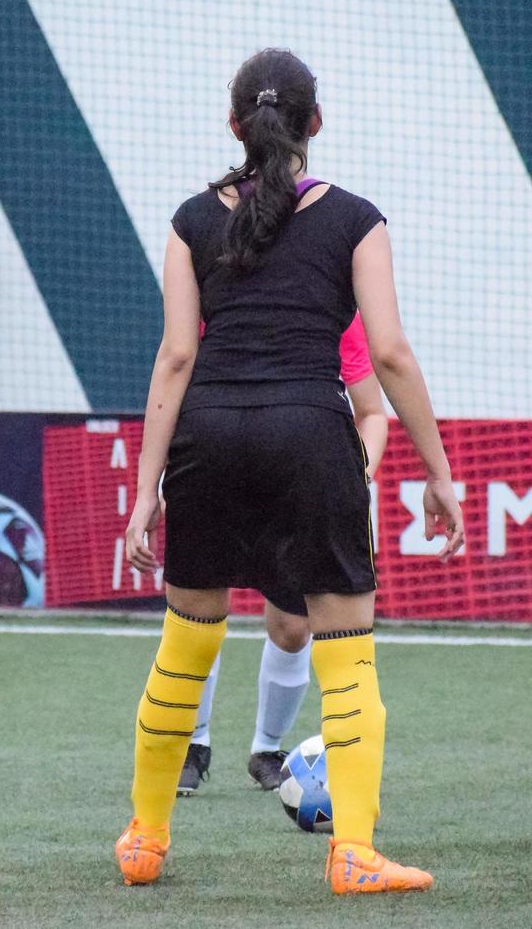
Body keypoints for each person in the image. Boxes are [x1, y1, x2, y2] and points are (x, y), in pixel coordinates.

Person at [115, 48, 464, 895]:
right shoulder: (357, 219)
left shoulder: (191, 219)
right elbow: (387, 352)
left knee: (184, 648)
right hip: (310, 437)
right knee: (346, 653)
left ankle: (145, 841)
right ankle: (353, 854)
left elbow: (175, 357)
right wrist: (439, 472)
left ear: (233, 126)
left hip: (208, 438)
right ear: (316, 123)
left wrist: (146, 491)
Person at [177, 313, 389, 794]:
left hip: (298, 479)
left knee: (293, 628)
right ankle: (191, 743)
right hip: (219, 461)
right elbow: (176, 371)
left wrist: (355, 477)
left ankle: (267, 748)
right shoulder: (216, 296)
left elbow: (372, 412)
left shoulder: (337, 312)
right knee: (198, 619)